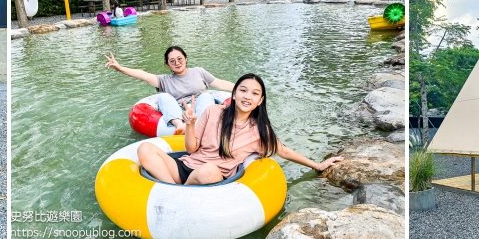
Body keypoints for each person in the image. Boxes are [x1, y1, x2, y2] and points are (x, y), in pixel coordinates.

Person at [137, 74, 344, 185]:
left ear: (260, 100)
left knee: (209, 170)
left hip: (211, 176)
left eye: (254, 94)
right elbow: (191, 149)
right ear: (234, 94)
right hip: (185, 167)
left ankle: (180, 192)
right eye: (243, 90)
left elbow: (284, 151)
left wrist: (317, 165)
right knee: (145, 149)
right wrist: (190, 124)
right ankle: (173, 190)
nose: (247, 96)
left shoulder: (259, 130)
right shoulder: (212, 112)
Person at [105, 46, 232, 135]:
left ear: (186, 58)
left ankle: (201, 125)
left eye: (180, 58)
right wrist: (120, 68)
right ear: (167, 64)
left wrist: (243, 89)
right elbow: (143, 75)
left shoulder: (199, 72)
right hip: (179, 112)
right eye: (172, 61)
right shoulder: (164, 80)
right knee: (163, 96)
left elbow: (220, 83)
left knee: (205, 97)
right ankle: (179, 126)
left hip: (200, 109)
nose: (177, 63)